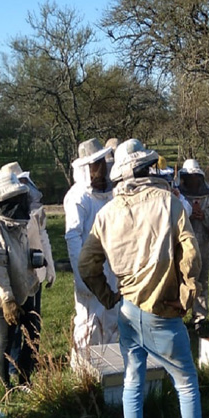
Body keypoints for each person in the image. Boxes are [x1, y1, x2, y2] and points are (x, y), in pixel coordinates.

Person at [78, 139, 209, 418]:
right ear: (147, 168)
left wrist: (109, 296)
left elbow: (86, 264)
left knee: (132, 383)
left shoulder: (108, 212)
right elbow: (191, 255)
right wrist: (186, 294)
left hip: (127, 310)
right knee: (186, 383)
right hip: (163, 311)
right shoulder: (169, 203)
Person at [0, 169, 44, 387]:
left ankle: (25, 380)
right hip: (4, 292)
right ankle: (6, 388)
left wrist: (34, 262)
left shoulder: (17, 222)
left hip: (24, 285)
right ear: (6, 201)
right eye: (17, 199)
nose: (22, 203)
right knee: (7, 339)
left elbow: (19, 254)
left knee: (33, 334)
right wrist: (7, 300)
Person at [64, 138, 119, 361]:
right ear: (85, 168)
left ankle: (111, 368)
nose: (101, 169)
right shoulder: (77, 197)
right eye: (96, 165)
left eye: (102, 163)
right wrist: (82, 274)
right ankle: (84, 374)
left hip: (112, 266)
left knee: (112, 317)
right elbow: (72, 236)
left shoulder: (111, 194)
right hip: (90, 268)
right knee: (89, 322)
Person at [3, 162, 56, 375]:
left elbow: (43, 237)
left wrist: (50, 266)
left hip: (35, 273)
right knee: (15, 325)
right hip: (13, 276)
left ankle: (30, 363)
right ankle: (13, 367)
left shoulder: (35, 210)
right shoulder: (1, 217)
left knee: (34, 321)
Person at [177, 159, 209, 333]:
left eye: (196, 176)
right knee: (181, 280)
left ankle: (199, 318)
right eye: (190, 176)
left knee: (201, 281)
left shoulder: (207, 194)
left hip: (202, 241)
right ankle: (178, 317)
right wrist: (188, 213)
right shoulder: (178, 195)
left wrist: (203, 215)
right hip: (182, 244)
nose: (193, 180)